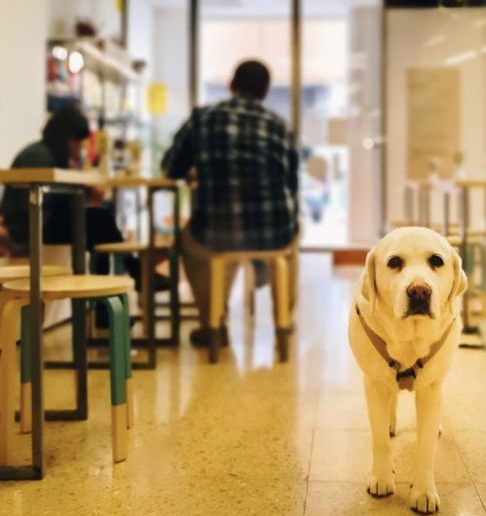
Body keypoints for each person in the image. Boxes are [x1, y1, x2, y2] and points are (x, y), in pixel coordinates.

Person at [162, 59, 299, 345]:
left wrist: (196, 169)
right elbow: (291, 183)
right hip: (273, 232)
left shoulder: (202, 118)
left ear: (231, 85)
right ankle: (283, 321)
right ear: (265, 93)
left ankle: (213, 321)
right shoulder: (280, 126)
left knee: (189, 244)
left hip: (215, 232)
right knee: (289, 245)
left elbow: (170, 168)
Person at [1, 104, 163, 292]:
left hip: (36, 222)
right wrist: (85, 193)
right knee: (99, 221)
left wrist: (83, 194)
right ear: (65, 138)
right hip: (30, 227)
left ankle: (128, 279)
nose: (77, 148)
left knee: (98, 223)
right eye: (75, 141)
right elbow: (39, 202)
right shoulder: (39, 156)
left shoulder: (41, 153)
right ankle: (131, 276)